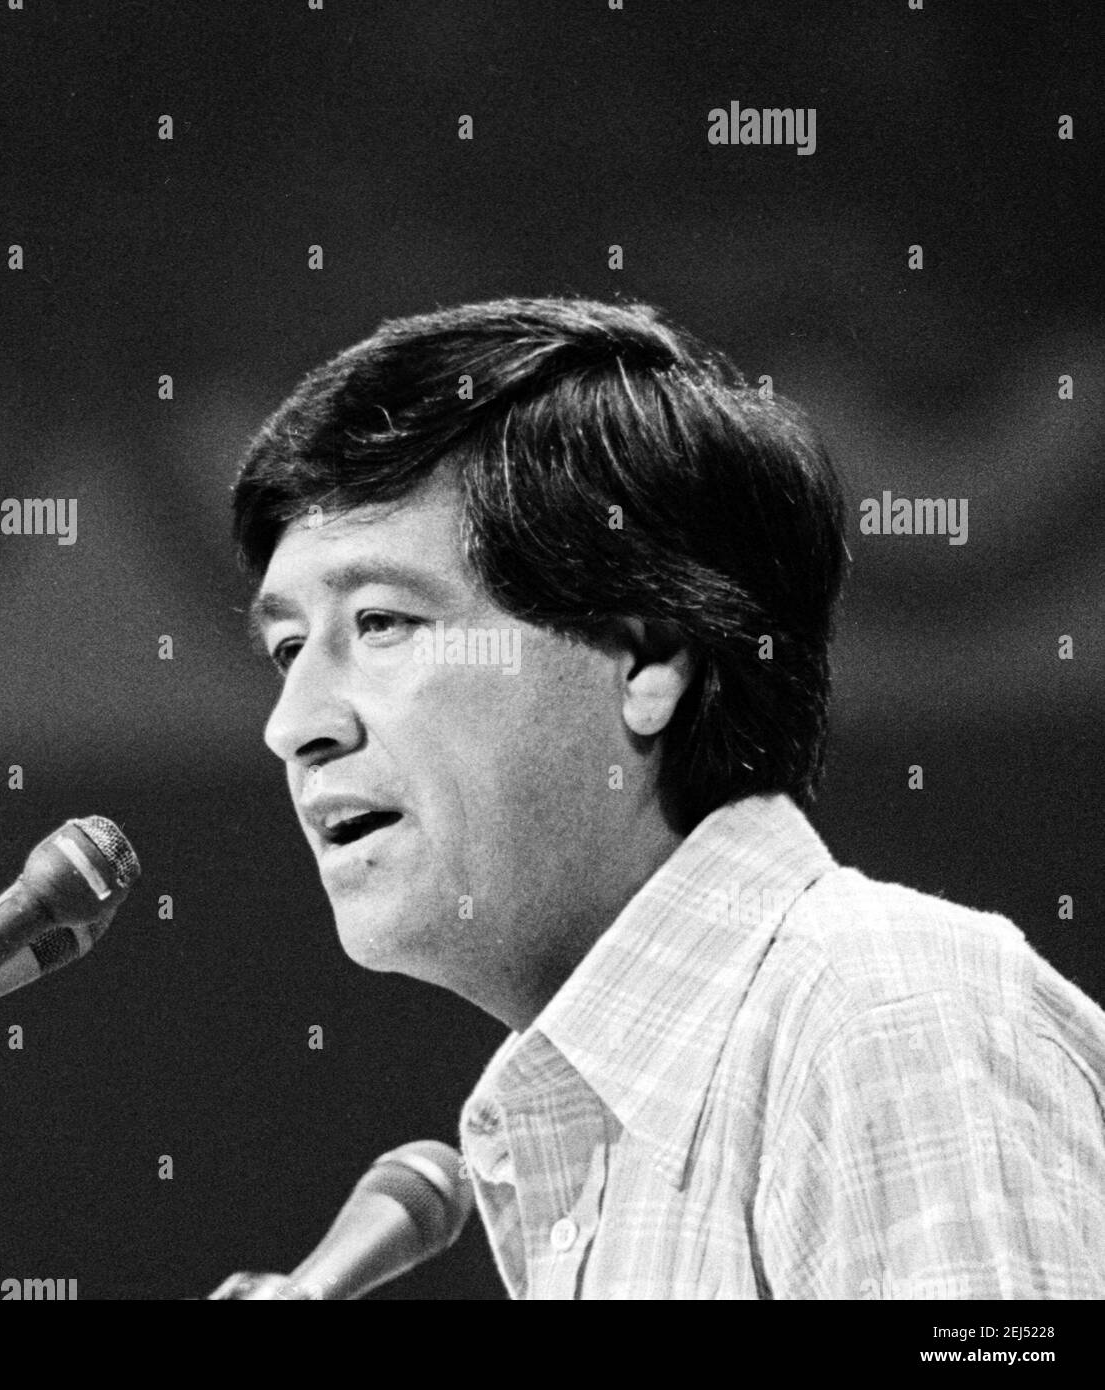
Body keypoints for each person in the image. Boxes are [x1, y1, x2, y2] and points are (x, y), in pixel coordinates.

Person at [224, 296, 1105, 1299]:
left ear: (646, 657)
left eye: (380, 622)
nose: (293, 722)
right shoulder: (588, 1134)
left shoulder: (884, 1011)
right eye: (289, 648)